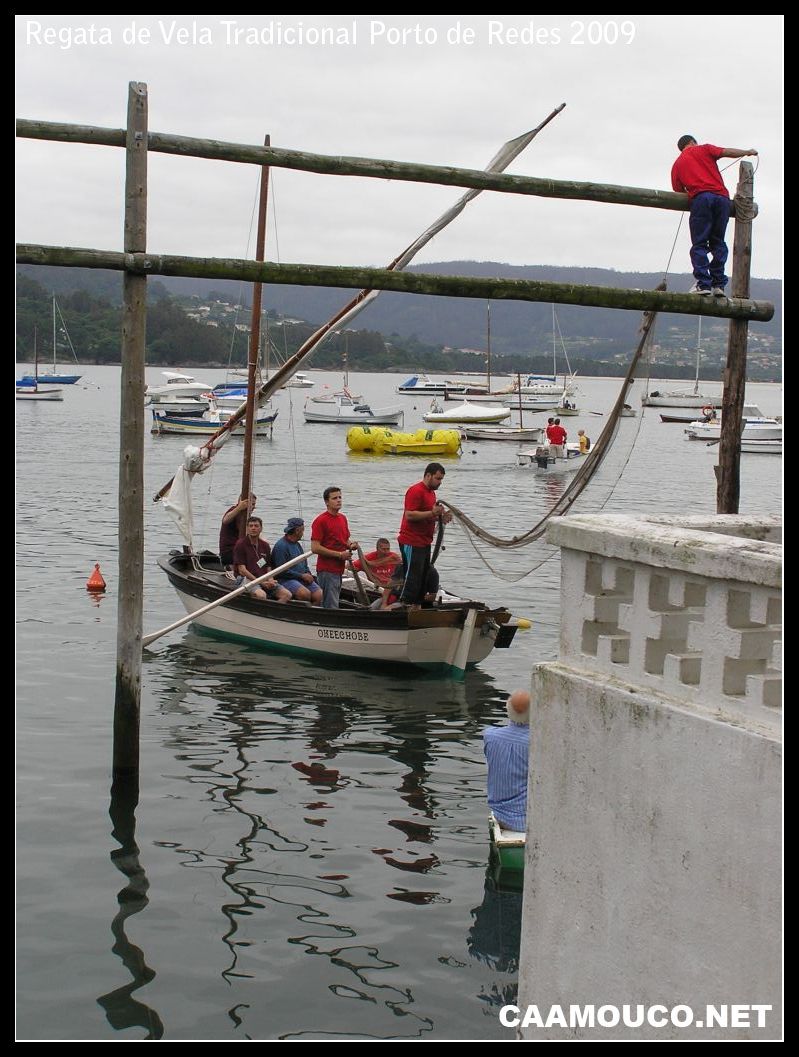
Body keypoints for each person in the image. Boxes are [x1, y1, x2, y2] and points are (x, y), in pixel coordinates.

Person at [670, 135, 758, 296]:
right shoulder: (704, 149)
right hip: (722, 199)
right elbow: (727, 151)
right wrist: (747, 152)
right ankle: (719, 285)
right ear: (692, 142)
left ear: (682, 147)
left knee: (700, 243)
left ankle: (703, 283)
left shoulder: (677, 164)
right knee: (718, 241)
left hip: (701, 199)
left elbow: (678, 189)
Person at [396, 462, 453, 607]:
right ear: (428, 475)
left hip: (424, 542)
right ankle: (404, 606)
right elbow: (409, 515)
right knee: (412, 579)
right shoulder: (416, 491)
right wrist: (432, 513)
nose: (440, 482)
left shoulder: (431, 493)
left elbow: (428, 516)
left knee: (422, 579)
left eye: (441, 479)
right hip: (411, 541)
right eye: (438, 479)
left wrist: (441, 517)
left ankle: (416, 609)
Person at [483, 689, 531, 832]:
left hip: (499, 815)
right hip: (525, 821)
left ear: (507, 709)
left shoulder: (489, 736)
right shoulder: (537, 743)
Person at [311, 486, 358, 609]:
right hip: (327, 570)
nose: (339, 500)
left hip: (339, 569)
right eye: (335, 498)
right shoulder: (320, 521)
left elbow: (344, 539)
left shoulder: (342, 518)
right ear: (327, 502)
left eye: (340, 497)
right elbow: (315, 547)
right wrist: (339, 555)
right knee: (330, 605)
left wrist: (351, 545)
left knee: (334, 602)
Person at [232, 516, 292, 602]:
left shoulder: (265, 546)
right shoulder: (241, 544)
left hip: (263, 578)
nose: (253, 528)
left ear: (261, 529)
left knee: (287, 594)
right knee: (261, 595)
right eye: (251, 526)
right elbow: (242, 570)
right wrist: (261, 582)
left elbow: (268, 566)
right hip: (247, 579)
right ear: (247, 528)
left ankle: (273, 612)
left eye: (256, 526)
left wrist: (270, 579)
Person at [270, 517, 323, 605]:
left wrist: (308, 574)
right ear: (297, 531)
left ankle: (311, 613)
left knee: (319, 595)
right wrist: (301, 576)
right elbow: (281, 571)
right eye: (302, 530)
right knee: (305, 594)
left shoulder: (297, 545)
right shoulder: (281, 546)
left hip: (301, 577)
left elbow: (304, 564)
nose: (303, 533)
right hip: (286, 579)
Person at [219, 493, 256, 567]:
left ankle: (266, 572)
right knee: (257, 559)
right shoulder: (234, 511)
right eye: (251, 504)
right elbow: (225, 520)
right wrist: (239, 508)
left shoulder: (246, 516)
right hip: (229, 553)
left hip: (239, 551)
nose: (253, 507)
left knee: (262, 557)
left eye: (254, 504)